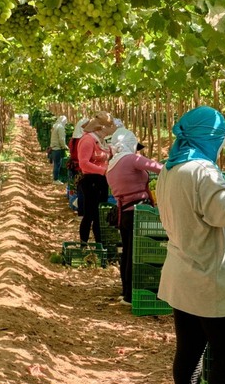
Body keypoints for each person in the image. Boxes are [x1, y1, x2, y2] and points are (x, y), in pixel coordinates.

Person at [156, 106, 225, 384]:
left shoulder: (170, 169)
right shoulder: (202, 172)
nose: (221, 149)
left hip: (182, 271)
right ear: (210, 139)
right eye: (221, 142)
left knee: (190, 349)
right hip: (208, 277)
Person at [106, 128, 162, 305]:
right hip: (138, 213)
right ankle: (131, 295)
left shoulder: (112, 165)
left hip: (124, 213)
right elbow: (158, 168)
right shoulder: (131, 159)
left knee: (128, 252)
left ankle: (126, 291)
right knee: (136, 253)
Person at [78, 111, 116, 244]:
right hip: (91, 181)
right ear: (101, 127)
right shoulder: (88, 140)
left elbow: (106, 154)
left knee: (99, 215)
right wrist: (103, 171)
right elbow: (84, 163)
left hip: (101, 181)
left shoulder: (101, 140)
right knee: (89, 214)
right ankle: (84, 244)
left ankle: (99, 244)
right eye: (109, 127)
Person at [68, 117, 89, 215]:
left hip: (74, 166)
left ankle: (78, 209)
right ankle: (81, 211)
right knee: (82, 190)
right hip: (80, 168)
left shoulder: (73, 140)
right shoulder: (83, 140)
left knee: (77, 188)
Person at [50, 115, 68, 185]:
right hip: (57, 148)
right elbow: (61, 139)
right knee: (57, 164)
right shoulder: (60, 127)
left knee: (55, 164)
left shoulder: (55, 126)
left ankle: (55, 178)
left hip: (53, 147)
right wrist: (64, 146)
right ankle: (56, 179)